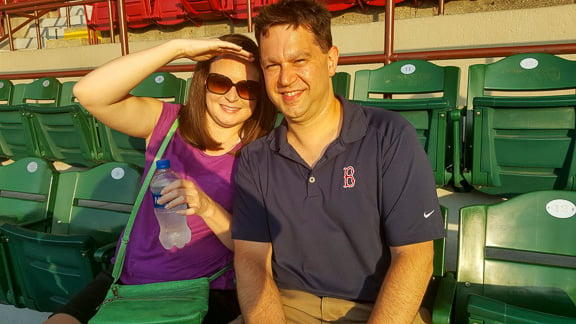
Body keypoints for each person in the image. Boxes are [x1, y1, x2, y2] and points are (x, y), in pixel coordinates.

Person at [231, 0, 447, 323]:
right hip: (286, 309)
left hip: (376, 310)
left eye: (298, 60)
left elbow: (415, 257)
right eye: (271, 65)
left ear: (331, 61)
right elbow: (250, 260)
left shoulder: (389, 137)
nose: (285, 79)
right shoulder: (254, 159)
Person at [43, 34, 276, 324]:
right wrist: (176, 47)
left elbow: (255, 248)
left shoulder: (262, 154)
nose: (232, 96)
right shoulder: (166, 123)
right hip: (127, 279)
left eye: (248, 88)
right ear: (203, 82)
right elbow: (88, 92)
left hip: (204, 289)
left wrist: (206, 207)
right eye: (220, 83)